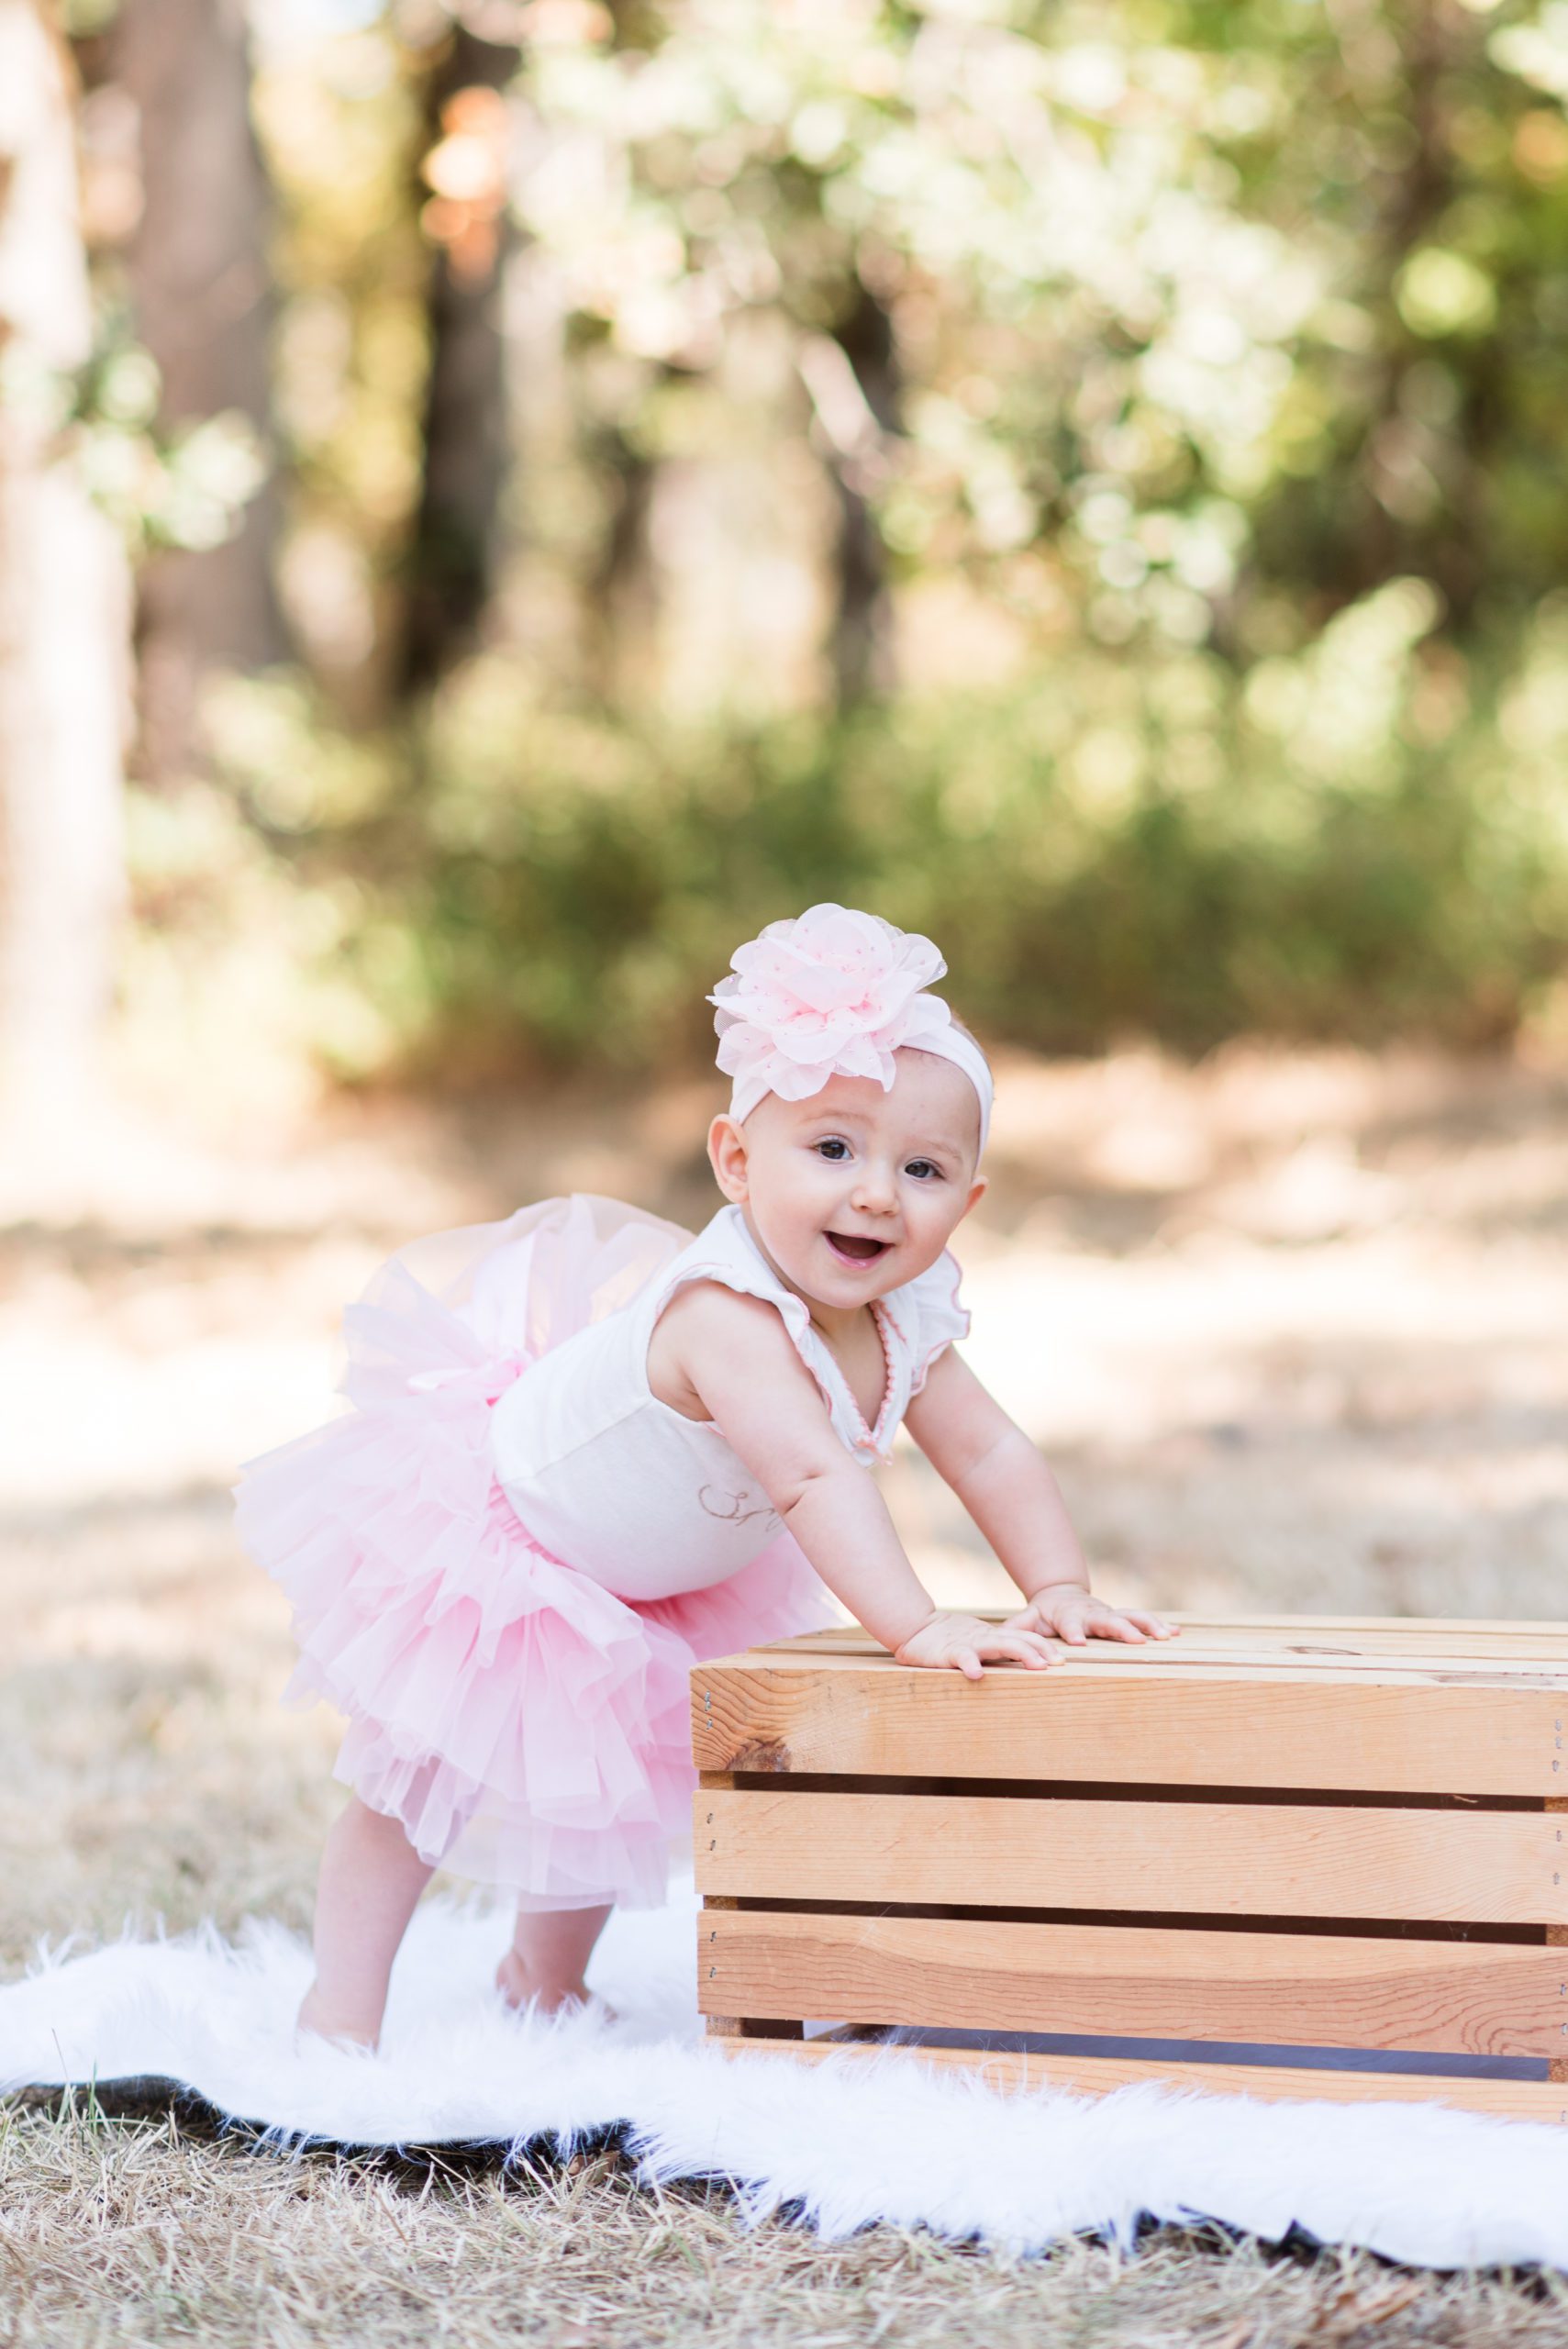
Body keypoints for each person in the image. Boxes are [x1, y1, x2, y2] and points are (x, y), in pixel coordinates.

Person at [236, 903, 1173, 2047]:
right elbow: (813, 1479)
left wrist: (1057, 1584)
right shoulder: (726, 1314)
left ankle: (541, 1979)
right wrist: (915, 1626)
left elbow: (986, 1446)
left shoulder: (905, 1310)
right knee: (411, 1786)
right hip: (513, 1531)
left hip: (653, 1565)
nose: (875, 1191)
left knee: (598, 1769)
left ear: (965, 1202)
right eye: (830, 1149)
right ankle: (336, 2008)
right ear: (736, 1160)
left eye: (921, 1168)